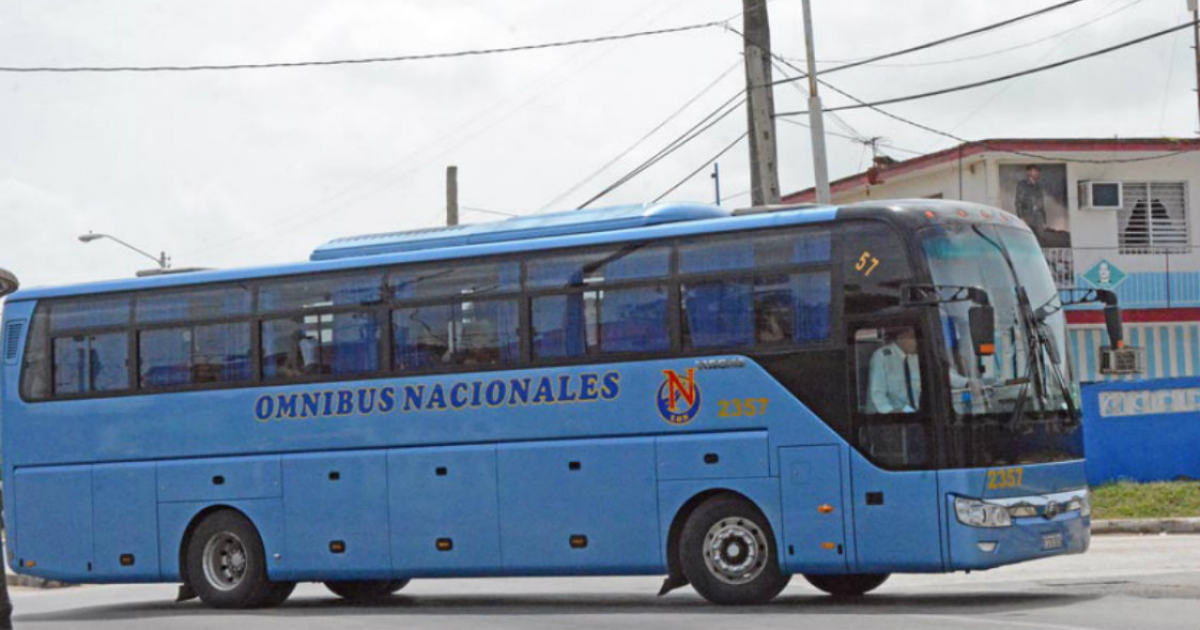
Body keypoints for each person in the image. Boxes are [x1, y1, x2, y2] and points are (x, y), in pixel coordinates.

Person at [867, 328, 922, 414]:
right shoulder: (882, 357)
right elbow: (877, 396)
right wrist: (892, 413)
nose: (916, 342)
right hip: (894, 418)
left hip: (921, 414)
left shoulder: (917, 358)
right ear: (900, 337)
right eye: (912, 338)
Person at [1015, 165, 1047, 240]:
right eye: (1034, 171)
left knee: (1040, 238)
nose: (1036, 173)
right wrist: (1021, 217)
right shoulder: (1022, 185)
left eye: (1038, 171)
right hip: (1027, 216)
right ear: (1028, 172)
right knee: (1027, 237)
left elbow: (1042, 204)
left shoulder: (1039, 186)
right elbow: (1018, 201)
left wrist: (1044, 220)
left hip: (1038, 218)